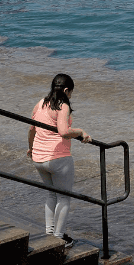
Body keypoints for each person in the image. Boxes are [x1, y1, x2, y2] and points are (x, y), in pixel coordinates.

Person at [27, 73, 91, 248]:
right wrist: (80, 132)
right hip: (58, 160)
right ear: (65, 90)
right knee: (64, 198)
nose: (70, 96)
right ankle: (59, 237)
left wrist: (31, 148)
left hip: (38, 158)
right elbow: (63, 131)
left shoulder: (40, 103)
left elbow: (32, 130)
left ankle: (49, 233)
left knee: (51, 194)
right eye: (70, 92)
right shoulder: (62, 105)